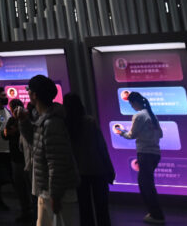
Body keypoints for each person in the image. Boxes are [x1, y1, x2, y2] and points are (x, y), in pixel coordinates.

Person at [15, 76, 79, 226]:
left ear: (34, 95)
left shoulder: (51, 123)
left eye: (29, 90)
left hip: (57, 193)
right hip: (46, 190)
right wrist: (23, 121)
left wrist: (55, 195)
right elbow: (35, 142)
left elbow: (56, 162)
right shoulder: (43, 119)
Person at [63, 93, 114, 226]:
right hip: (97, 168)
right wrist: (109, 168)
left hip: (78, 172)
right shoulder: (90, 121)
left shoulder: (65, 125)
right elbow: (101, 147)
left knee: (84, 208)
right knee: (102, 207)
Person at [117, 91, 165, 224]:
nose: (131, 107)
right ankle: (154, 213)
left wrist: (122, 133)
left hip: (145, 154)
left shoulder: (138, 116)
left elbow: (131, 135)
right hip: (155, 154)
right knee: (147, 184)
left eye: (131, 104)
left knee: (146, 186)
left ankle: (157, 215)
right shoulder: (151, 114)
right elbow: (160, 134)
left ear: (134, 103)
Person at [2, 98, 33, 222]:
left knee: (28, 186)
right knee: (21, 187)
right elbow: (5, 135)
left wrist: (16, 131)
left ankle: (33, 210)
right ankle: (26, 210)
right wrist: (6, 133)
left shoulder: (25, 119)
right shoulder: (11, 120)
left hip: (25, 158)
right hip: (16, 158)